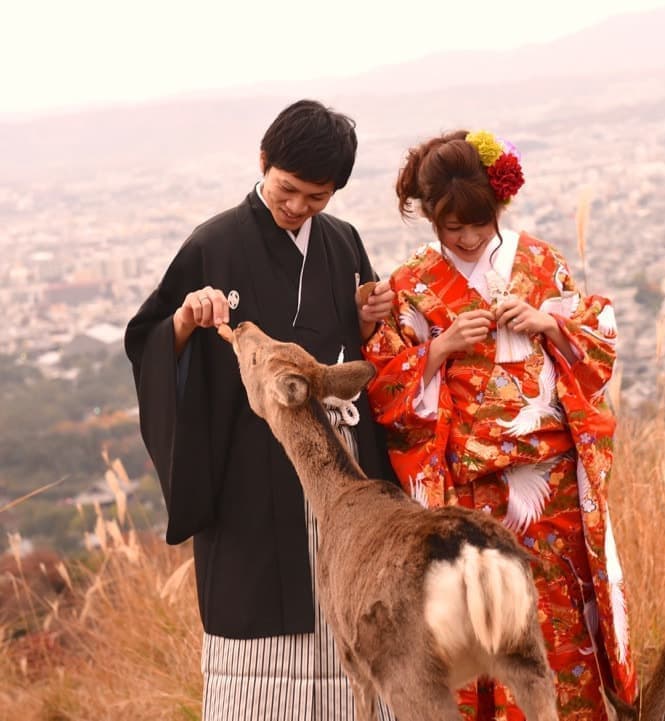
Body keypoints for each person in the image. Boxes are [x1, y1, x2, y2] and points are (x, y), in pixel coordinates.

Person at [124, 99, 397, 721]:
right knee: (261, 650)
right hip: (249, 463)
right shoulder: (213, 243)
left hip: (338, 463)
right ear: (263, 163)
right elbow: (147, 341)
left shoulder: (343, 241)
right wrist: (187, 322)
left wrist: (364, 320)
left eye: (317, 197)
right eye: (288, 189)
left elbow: (352, 351)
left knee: (352, 610)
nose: (298, 207)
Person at [363, 130, 638, 721]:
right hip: (468, 493)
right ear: (431, 218)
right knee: (479, 626)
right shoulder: (409, 284)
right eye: (451, 228)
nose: (464, 239)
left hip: (551, 486)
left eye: (477, 226)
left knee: (557, 621)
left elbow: (597, 347)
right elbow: (384, 388)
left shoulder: (542, 262)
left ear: (499, 206)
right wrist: (437, 350)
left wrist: (546, 322)